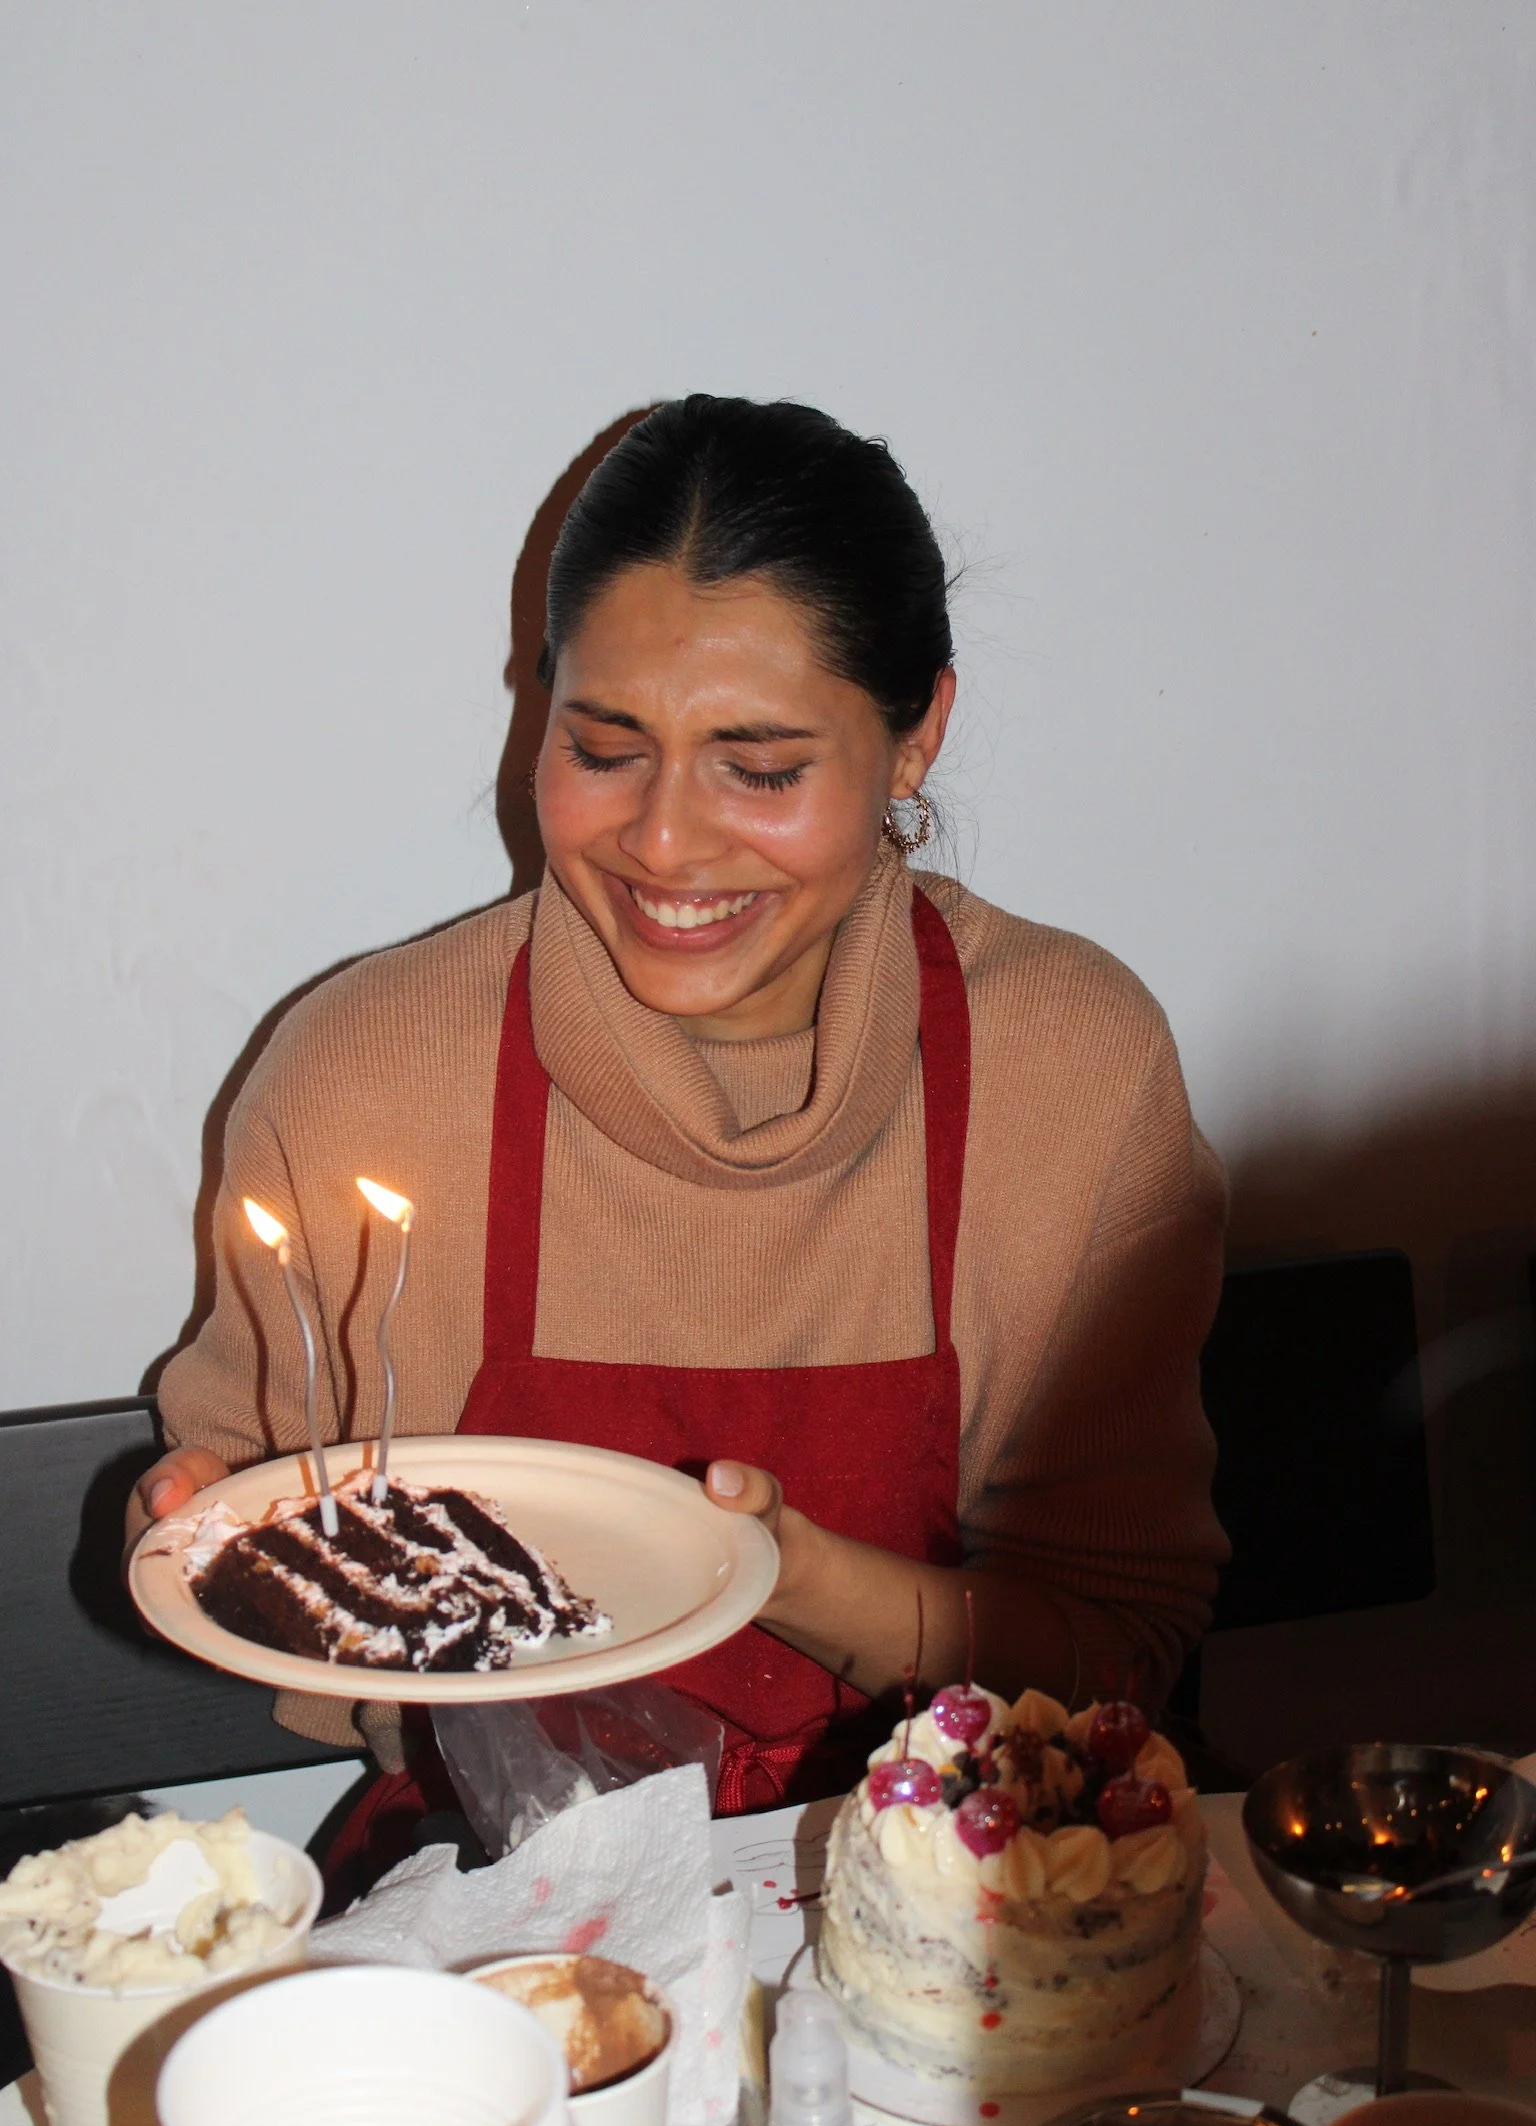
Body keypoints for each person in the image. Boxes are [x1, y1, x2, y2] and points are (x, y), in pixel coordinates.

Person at [127, 394, 1228, 1824]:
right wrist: (247, 1543)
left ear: (916, 738)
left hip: (969, 1900)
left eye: (760, 768)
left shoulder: (1072, 1070)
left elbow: (1117, 1648)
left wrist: (788, 1575)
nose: (663, 839)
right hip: (498, 1905)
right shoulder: (365, 1072)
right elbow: (296, 1592)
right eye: (603, 747)